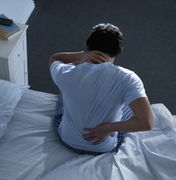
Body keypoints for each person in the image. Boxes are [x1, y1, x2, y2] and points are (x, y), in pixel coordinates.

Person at [49, 23, 154, 155]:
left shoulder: (65, 73)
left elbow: (55, 58)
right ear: (117, 51)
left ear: (88, 47)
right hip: (103, 147)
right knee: (130, 105)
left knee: (63, 95)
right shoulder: (128, 78)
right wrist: (107, 129)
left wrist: (82, 56)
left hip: (67, 140)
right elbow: (148, 122)